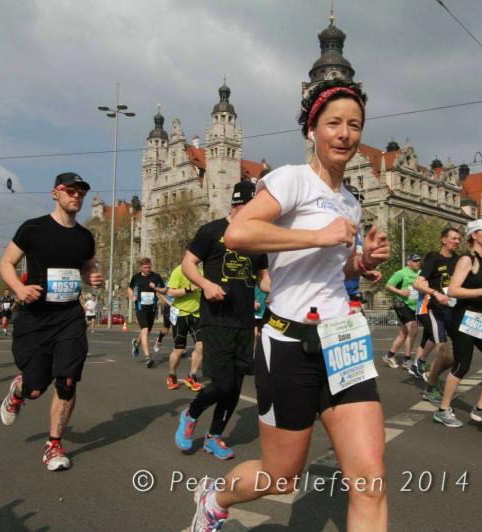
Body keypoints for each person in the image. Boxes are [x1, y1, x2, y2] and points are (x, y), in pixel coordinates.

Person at [188, 78, 390, 531]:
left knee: (370, 480)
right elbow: (238, 233)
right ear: (312, 130)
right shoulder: (291, 179)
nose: (345, 134)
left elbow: (332, 270)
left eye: (354, 125)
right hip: (289, 343)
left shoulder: (351, 203)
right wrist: (319, 235)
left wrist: (362, 261)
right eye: (334, 123)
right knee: (280, 478)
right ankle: (215, 498)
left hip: (342, 342)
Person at [0, 172, 102, 471]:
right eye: (71, 191)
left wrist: (91, 276)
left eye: (81, 192)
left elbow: (87, 267)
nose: (77, 196)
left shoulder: (85, 237)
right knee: (35, 389)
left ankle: (54, 444)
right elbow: (6, 263)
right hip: (36, 318)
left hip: (69, 316)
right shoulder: (33, 229)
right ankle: (20, 389)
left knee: (67, 380)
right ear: (56, 193)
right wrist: (19, 289)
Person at [175, 180, 271, 460]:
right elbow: (187, 264)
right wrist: (205, 284)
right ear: (236, 205)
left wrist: (285, 288)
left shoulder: (257, 239)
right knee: (222, 384)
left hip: (245, 321)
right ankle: (191, 413)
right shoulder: (212, 231)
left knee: (236, 386)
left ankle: (214, 437)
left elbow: (264, 279)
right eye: (250, 208)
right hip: (216, 318)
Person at [432, 219, 482, 429]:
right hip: (465, 317)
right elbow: (453, 290)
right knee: (462, 365)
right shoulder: (467, 259)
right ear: (474, 235)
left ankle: (481, 408)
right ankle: (443, 410)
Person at [415, 227, 461, 403]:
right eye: (454, 238)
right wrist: (435, 293)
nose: (457, 241)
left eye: (459, 239)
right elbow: (417, 283)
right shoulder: (434, 259)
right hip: (437, 311)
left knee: (458, 356)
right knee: (443, 351)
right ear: (444, 240)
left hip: (455, 311)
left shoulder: (460, 260)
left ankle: (431, 374)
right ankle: (430, 388)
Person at [155, 264, 204, 391]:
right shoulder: (179, 271)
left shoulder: (202, 270)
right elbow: (170, 292)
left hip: (196, 314)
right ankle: (172, 375)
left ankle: (192, 376)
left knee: (201, 345)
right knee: (179, 349)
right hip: (180, 314)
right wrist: (189, 289)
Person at [381, 254, 421, 369]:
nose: (418, 263)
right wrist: (400, 292)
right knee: (413, 329)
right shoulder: (401, 273)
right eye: (415, 261)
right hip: (401, 303)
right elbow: (388, 285)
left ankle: (389, 356)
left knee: (403, 334)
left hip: (413, 305)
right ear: (409, 262)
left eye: (419, 261)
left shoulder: (420, 273)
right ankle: (407, 360)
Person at [128, 258, 165, 367]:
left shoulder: (156, 276)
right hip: (140, 308)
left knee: (147, 331)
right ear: (141, 267)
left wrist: (156, 287)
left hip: (152, 308)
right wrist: (132, 296)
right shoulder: (136, 277)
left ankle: (136, 342)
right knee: (144, 330)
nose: (147, 269)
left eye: (149, 267)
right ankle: (148, 357)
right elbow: (129, 288)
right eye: (145, 267)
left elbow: (164, 289)